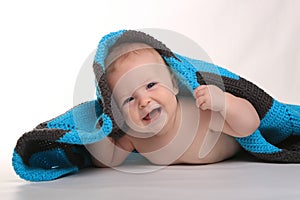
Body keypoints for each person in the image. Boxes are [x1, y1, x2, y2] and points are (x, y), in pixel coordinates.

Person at [86, 42, 260, 167]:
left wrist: (223, 101)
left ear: (174, 84)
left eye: (150, 85)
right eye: (129, 99)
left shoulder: (200, 112)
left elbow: (249, 126)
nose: (143, 102)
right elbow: (108, 160)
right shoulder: (135, 135)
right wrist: (99, 133)